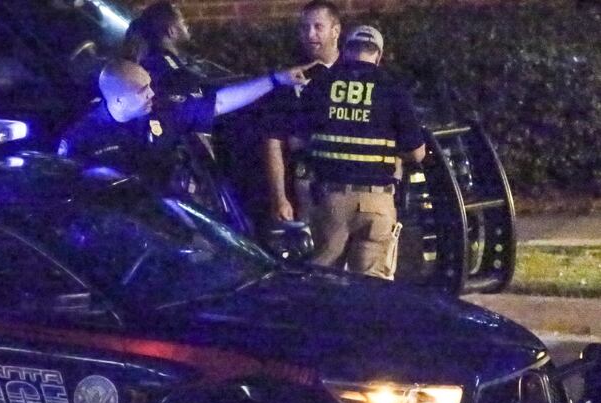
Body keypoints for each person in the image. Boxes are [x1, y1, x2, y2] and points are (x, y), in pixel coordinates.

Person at [295, 25, 426, 280]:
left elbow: (296, 143)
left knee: (325, 283)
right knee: (372, 289)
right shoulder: (392, 89)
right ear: (378, 55)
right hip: (377, 203)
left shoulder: (320, 85)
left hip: (331, 200)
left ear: (345, 51)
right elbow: (417, 153)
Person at [57, 60, 311, 190]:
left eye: (150, 86)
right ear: (119, 99)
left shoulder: (163, 110)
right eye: (143, 91)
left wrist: (275, 80)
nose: (151, 94)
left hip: (165, 217)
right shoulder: (82, 138)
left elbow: (220, 102)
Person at [264, 0, 341, 224]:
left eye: (318, 27)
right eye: (304, 28)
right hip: (308, 186)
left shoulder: (355, 75)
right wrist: (280, 197)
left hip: (351, 187)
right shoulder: (291, 79)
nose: (310, 34)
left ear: (335, 31)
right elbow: (273, 140)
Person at [122, 1, 203, 95]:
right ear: (171, 31)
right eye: (183, 23)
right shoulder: (165, 65)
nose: (187, 27)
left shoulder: (153, 60)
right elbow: (191, 87)